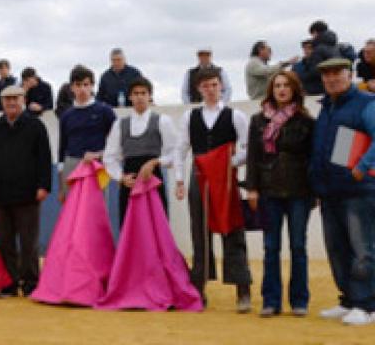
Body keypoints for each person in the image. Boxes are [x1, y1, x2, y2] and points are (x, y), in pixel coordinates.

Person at [174, 68, 252, 313]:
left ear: (221, 87)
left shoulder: (235, 115)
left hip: (225, 179)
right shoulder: (190, 117)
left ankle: (243, 289)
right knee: (199, 232)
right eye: (205, 86)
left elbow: (250, 147)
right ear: (199, 89)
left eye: (214, 85)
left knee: (233, 229)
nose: (210, 90)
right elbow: (180, 149)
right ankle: (199, 290)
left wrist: (229, 162)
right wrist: (178, 179)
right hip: (199, 177)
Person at [308, 58, 375, 325]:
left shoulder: (366, 103)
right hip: (330, 191)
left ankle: (367, 305)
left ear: (349, 75)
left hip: (359, 191)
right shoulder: (327, 107)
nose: (332, 79)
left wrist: (362, 166)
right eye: (327, 75)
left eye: (338, 74)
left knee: (363, 249)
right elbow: (330, 149)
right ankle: (348, 299)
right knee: (337, 249)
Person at [244, 71, 314, 318]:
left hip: (299, 191)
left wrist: (315, 191)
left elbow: (312, 159)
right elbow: (253, 156)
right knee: (270, 247)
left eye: (286, 86)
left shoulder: (306, 121)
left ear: (294, 89)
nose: (282, 90)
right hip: (268, 190)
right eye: (277, 86)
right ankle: (271, 301)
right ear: (271, 90)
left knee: (298, 246)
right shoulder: (257, 120)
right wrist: (251, 187)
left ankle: (299, 300)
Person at [0, 86, 52, 297]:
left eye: (15, 98)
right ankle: (9, 283)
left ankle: (31, 283)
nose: (11, 102)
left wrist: (43, 186)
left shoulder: (36, 126)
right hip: (1, 197)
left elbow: (44, 159)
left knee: (29, 243)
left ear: (23, 100)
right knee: (5, 242)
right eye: (7, 99)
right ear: (1, 102)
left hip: (28, 195)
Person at [103, 77, 178, 227]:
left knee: (156, 224)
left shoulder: (163, 121)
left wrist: (155, 162)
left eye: (143, 93)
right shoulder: (120, 124)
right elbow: (110, 157)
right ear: (130, 97)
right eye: (135, 93)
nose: (139, 97)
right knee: (130, 225)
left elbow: (175, 152)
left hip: (153, 179)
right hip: (129, 181)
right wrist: (121, 177)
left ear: (150, 96)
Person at [57, 65, 116, 198]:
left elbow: (117, 143)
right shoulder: (66, 116)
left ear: (92, 86)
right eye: (78, 85)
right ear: (72, 87)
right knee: (73, 214)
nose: (82, 89)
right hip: (72, 165)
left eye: (86, 84)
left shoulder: (105, 111)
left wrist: (99, 154)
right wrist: (61, 186)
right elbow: (62, 150)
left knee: (97, 211)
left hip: (96, 166)